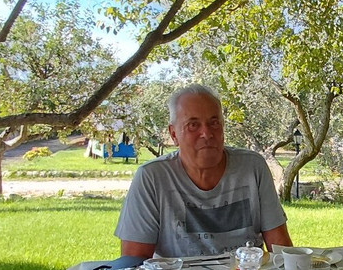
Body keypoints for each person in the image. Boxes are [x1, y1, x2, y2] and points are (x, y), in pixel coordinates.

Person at [115, 84, 293, 258]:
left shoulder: (252, 167)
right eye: (193, 125)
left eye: (214, 123)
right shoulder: (152, 177)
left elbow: (281, 250)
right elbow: (134, 262)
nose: (206, 133)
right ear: (173, 134)